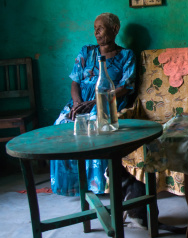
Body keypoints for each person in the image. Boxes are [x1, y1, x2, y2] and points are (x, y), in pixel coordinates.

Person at [50, 13, 136, 196]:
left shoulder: (126, 55)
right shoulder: (86, 51)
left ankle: (97, 184)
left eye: (101, 28)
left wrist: (97, 101)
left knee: (96, 125)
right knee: (62, 124)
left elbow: (127, 87)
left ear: (115, 29)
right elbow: (75, 82)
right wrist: (77, 102)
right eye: (94, 28)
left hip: (108, 100)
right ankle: (71, 184)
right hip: (82, 100)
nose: (96, 32)